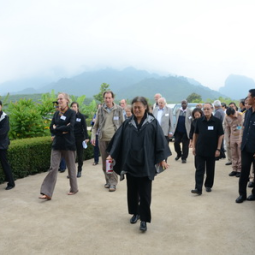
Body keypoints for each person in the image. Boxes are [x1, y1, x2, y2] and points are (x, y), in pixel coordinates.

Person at [106, 96, 171, 232]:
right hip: (131, 163)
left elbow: (159, 141)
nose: (136, 110)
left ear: (145, 107)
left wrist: (162, 159)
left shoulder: (152, 122)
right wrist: (111, 155)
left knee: (145, 193)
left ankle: (144, 220)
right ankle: (135, 213)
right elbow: (118, 139)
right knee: (132, 191)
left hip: (146, 164)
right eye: (134, 107)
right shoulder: (128, 123)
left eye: (139, 107)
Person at [39, 92, 78, 200]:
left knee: (71, 168)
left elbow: (70, 128)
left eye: (61, 99)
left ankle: (74, 189)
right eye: (58, 99)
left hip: (68, 144)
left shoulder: (71, 113)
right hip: (57, 144)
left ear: (67, 100)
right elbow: (51, 128)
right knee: (53, 167)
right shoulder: (56, 114)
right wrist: (61, 129)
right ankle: (47, 192)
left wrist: (58, 128)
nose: (59, 101)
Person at [91, 91, 124, 192]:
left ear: (113, 98)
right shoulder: (100, 110)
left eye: (109, 98)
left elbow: (123, 125)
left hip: (114, 140)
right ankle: (108, 180)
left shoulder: (118, 109)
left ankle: (113, 183)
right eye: (106, 98)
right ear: (104, 99)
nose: (108, 100)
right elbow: (95, 126)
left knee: (111, 161)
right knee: (105, 163)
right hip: (102, 139)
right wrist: (93, 136)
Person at [191, 103, 224, 195]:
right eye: (204, 109)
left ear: (212, 109)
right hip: (200, 149)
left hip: (212, 150)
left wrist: (218, 149)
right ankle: (198, 188)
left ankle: (208, 185)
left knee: (210, 169)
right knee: (199, 169)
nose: (206, 111)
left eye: (208, 109)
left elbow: (220, 135)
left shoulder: (217, 121)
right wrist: (194, 147)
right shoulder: (199, 121)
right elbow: (195, 134)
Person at [236, 89, 255, 203]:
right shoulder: (247, 113)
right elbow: (243, 128)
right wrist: (240, 141)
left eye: (248, 97)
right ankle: (242, 194)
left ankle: (254, 194)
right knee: (244, 172)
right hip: (246, 148)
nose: (246, 99)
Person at [71, 102, 89, 178]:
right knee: (71, 156)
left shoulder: (81, 116)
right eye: (72, 106)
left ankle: (79, 170)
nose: (73, 108)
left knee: (80, 155)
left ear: (77, 107)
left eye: (75, 106)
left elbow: (85, 127)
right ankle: (72, 172)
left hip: (79, 138)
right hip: (71, 138)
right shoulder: (70, 116)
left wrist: (86, 137)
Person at [0, 100, 15, 190]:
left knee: (4, 163)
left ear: (1, 106)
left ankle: (11, 183)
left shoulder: (4, 117)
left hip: (2, 145)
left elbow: (3, 132)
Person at [224, 107, 243, 177]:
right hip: (232, 136)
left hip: (239, 136)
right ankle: (234, 169)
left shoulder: (240, 115)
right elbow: (227, 128)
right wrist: (227, 139)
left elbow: (242, 126)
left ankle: (239, 170)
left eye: (232, 115)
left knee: (240, 154)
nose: (231, 117)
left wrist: (236, 128)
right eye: (230, 116)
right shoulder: (227, 117)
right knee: (233, 154)